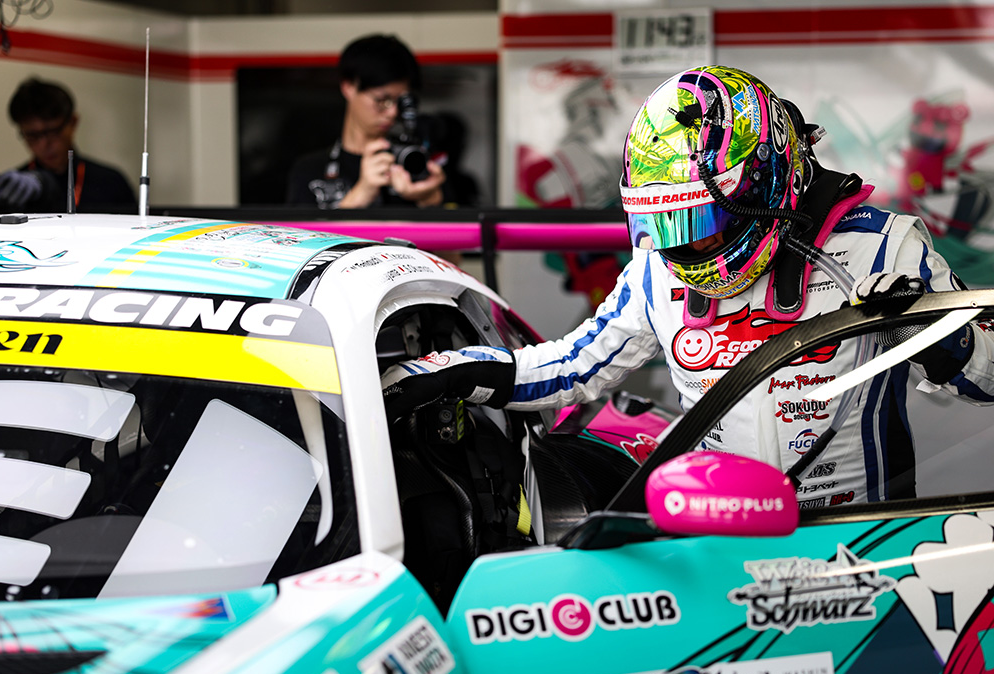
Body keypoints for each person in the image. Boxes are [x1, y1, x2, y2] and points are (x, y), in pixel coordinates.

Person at [380, 65, 994, 506]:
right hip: (718, 536)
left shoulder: (882, 245)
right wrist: (456, 369)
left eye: (700, 222)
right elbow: (575, 366)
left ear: (763, 184)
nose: (684, 245)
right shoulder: (656, 268)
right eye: (668, 222)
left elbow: (988, 380)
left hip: (862, 541)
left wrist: (934, 331)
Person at [286, 34, 446, 209]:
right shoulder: (310, 171)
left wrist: (429, 199)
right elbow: (297, 228)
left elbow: (459, 220)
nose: (393, 112)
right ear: (348, 87)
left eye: (400, 102)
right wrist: (359, 196)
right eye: (382, 100)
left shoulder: (417, 165)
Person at [0, 77, 136, 214]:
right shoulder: (13, 190)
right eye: (32, 135)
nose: (44, 144)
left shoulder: (111, 183)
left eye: (53, 132)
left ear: (73, 122)